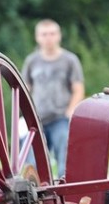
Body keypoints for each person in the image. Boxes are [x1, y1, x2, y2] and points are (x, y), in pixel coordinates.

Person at [21, 19, 84, 179]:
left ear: (59, 36)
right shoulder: (32, 61)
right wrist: (24, 113)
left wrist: (70, 111)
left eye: (52, 34)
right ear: (37, 37)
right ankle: (36, 194)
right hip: (37, 119)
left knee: (64, 162)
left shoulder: (70, 60)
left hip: (60, 118)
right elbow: (24, 88)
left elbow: (78, 89)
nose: (48, 38)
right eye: (44, 34)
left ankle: (65, 194)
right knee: (32, 163)